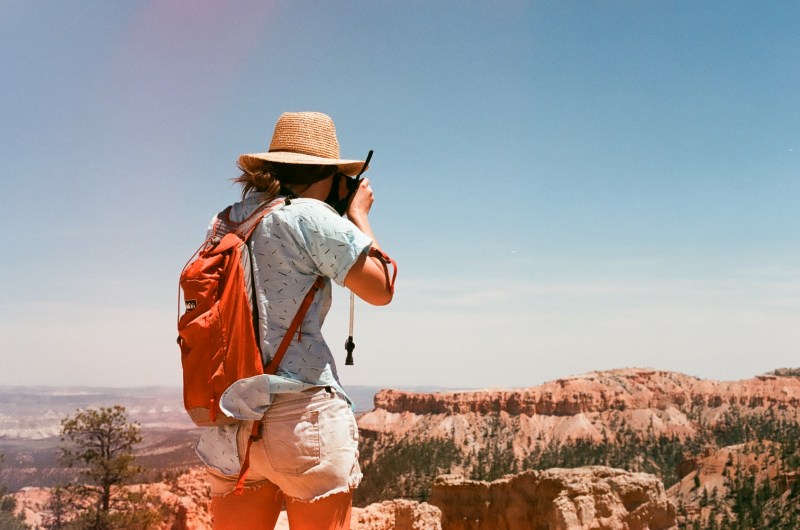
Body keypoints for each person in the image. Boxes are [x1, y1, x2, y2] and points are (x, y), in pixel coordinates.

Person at [195, 111, 395, 529]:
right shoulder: (309, 216)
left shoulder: (228, 218)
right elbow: (381, 288)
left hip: (231, 416)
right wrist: (358, 215)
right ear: (333, 175)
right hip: (303, 419)